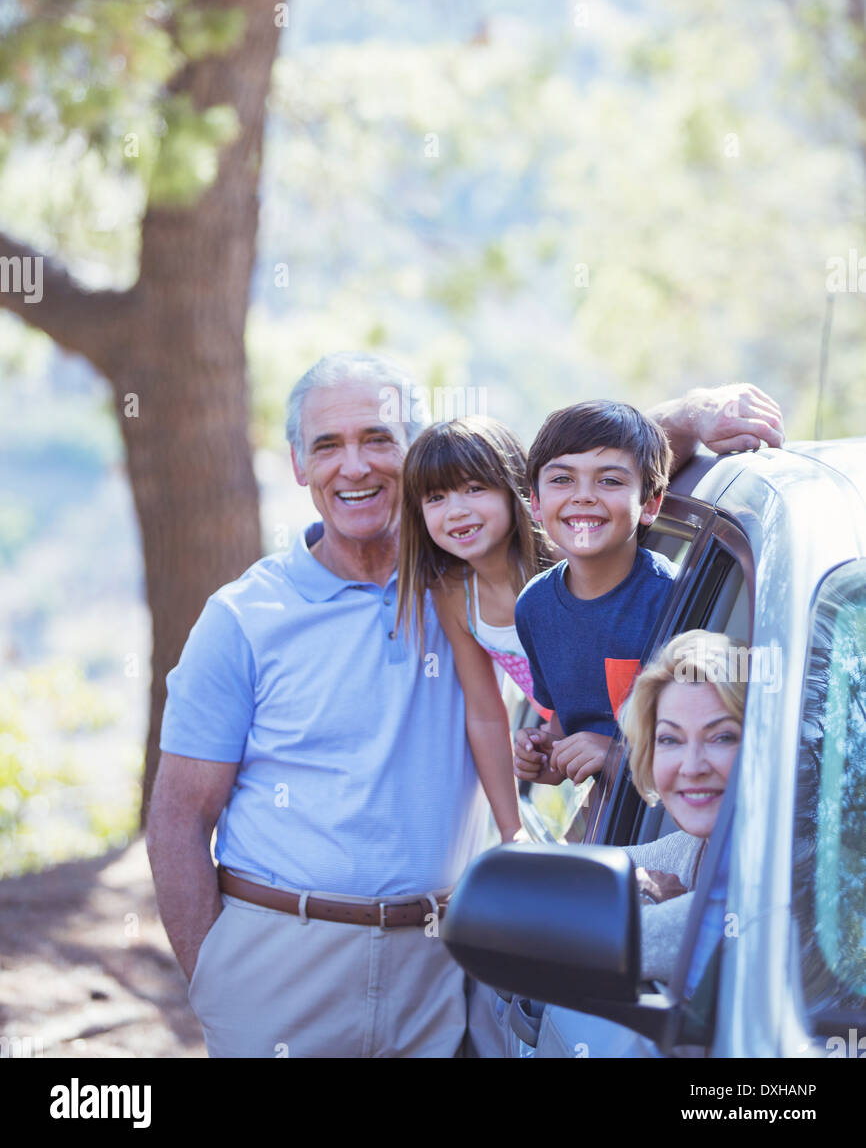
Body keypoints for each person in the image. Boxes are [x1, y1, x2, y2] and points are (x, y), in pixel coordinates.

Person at [145, 352, 782, 1058]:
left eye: (378, 439)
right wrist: (213, 978)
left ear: (415, 455)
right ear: (299, 464)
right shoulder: (246, 617)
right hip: (279, 965)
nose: (353, 467)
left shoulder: (467, 570)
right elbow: (179, 812)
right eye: (327, 445)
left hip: (442, 961)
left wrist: (690, 414)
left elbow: (581, 478)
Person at [397, 416, 557, 844]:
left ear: (515, 489)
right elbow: (486, 714)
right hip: (576, 759)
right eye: (436, 497)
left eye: (474, 488)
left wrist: (560, 731)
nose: (456, 510)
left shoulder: (562, 565)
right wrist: (511, 831)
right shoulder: (452, 593)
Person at [513, 400, 676, 792]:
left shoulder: (670, 600)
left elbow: (703, 747)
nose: (583, 496)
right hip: (602, 818)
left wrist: (618, 755)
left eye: (610, 481)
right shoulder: (534, 607)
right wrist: (549, 754)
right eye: (562, 480)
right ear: (535, 503)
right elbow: (565, 721)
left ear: (650, 504)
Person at [619, 629, 747, 982]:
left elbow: (603, 943)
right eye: (670, 739)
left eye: (722, 737)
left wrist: (642, 902)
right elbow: (580, 874)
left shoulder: (781, 875)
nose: (692, 767)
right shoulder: (696, 849)